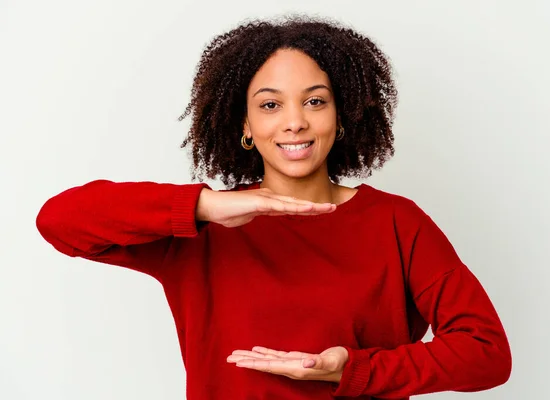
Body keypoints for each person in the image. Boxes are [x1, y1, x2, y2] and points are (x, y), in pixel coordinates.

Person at [35, 16, 511, 400]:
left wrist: (355, 368)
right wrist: (203, 206)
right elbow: (59, 222)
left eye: (315, 101)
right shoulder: (203, 226)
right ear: (244, 123)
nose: (295, 122)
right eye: (269, 105)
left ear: (340, 116)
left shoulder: (396, 222)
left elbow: (485, 353)